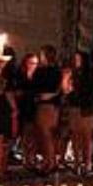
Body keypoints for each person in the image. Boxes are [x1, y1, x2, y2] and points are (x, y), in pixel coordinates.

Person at [33, 45, 62, 175]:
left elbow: (35, 88)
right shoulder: (57, 71)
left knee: (46, 135)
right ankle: (52, 162)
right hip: (54, 106)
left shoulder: (41, 71)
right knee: (51, 134)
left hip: (45, 105)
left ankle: (49, 163)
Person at [69, 51, 93, 175]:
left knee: (86, 136)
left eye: (78, 59)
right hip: (74, 106)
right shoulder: (74, 73)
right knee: (75, 136)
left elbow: (91, 91)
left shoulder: (90, 75)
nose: (76, 61)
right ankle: (76, 162)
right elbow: (68, 89)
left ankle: (87, 163)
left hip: (86, 108)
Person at [56, 66, 74, 168]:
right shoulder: (59, 88)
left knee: (69, 136)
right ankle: (61, 156)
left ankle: (67, 155)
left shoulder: (72, 86)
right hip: (61, 113)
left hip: (71, 113)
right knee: (62, 136)